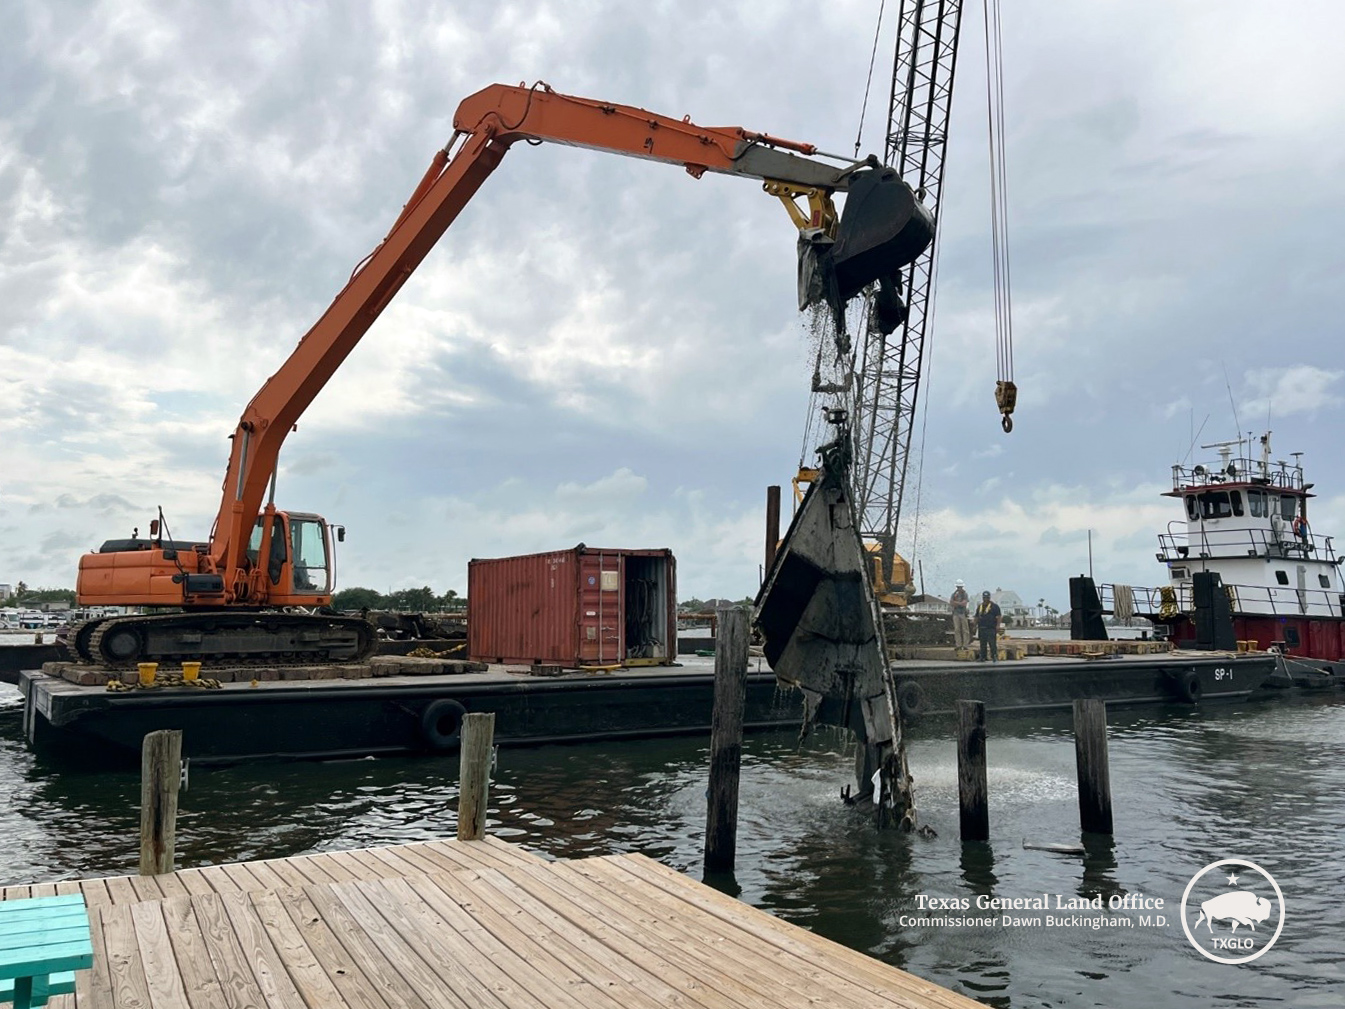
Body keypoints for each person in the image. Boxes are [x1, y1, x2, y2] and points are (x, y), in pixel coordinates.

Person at [974, 590, 1002, 662]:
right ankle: (983, 657)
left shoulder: (995, 606)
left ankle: (994, 656)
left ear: (989, 598)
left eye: (987, 597)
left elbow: (999, 616)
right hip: (982, 627)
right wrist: (974, 625)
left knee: (992, 643)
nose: (986, 599)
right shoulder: (980, 606)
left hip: (991, 628)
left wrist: (998, 626)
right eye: (984, 597)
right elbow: (977, 616)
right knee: (982, 644)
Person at [950, 579, 970, 649]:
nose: (959, 588)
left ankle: (965, 645)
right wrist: (959, 604)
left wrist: (956, 603)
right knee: (957, 629)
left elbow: (964, 604)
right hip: (956, 614)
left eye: (960, 587)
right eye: (958, 587)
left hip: (963, 613)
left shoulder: (965, 594)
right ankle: (958, 645)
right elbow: (951, 603)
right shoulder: (954, 594)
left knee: (965, 630)